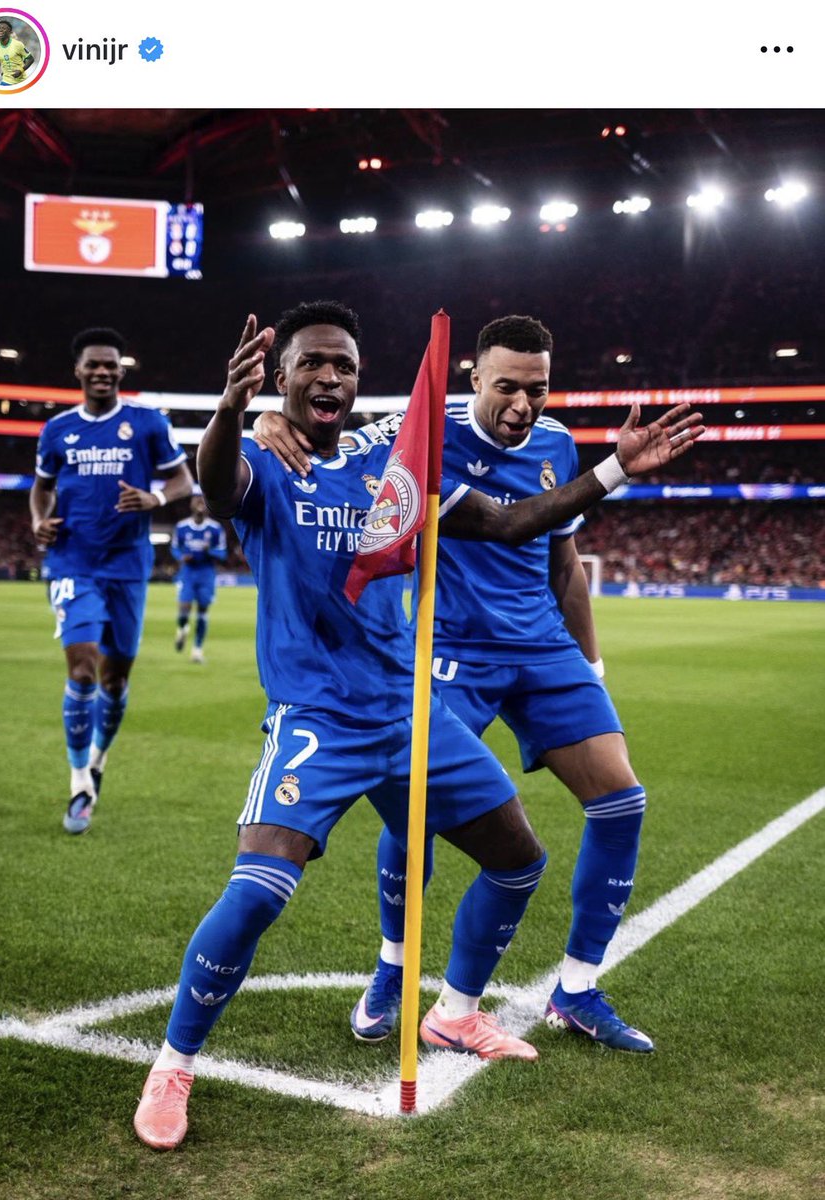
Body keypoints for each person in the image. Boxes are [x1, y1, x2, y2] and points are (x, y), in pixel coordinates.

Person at [132, 301, 701, 1150]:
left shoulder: (393, 465)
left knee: (517, 860)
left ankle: (454, 1014)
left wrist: (612, 470)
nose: (330, 377)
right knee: (256, 894)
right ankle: (174, 1065)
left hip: (408, 711)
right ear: (281, 376)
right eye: (313, 364)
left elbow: (510, 523)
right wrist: (226, 408)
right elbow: (215, 487)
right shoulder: (262, 459)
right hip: (317, 715)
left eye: (345, 366)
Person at [255, 314, 660, 1052]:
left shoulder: (558, 443)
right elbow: (325, 435)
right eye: (505, 387)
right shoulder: (414, 428)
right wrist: (260, 422)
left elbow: (561, 563)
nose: (521, 405)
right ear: (473, 378)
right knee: (415, 819)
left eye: (536, 390)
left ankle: (574, 989)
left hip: (540, 648)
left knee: (620, 799)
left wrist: (591, 668)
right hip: (447, 650)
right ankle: (392, 966)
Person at [30, 327, 193, 834]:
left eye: (111, 365)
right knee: (82, 669)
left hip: (128, 565)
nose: (102, 371)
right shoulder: (57, 430)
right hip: (72, 562)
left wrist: (156, 500)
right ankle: (80, 782)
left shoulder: (146, 424)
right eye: (93, 365)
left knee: (115, 680)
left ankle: (97, 759)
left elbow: (183, 480)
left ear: (122, 370)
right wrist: (39, 522)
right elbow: (41, 490)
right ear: (78, 371)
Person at [171, 494, 228, 664]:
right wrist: (182, 557)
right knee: (184, 609)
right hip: (187, 573)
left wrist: (208, 550)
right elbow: (174, 549)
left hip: (206, 573)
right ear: (191, 505)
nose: (199, 502)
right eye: (196, 500)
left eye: (203, 500)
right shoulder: (181, 527)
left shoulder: (216, 529)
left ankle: (197, 650)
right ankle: (182, 628)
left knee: (203, 612)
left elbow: (222, 553)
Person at [0, 20, 34, 86]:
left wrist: (21, 71)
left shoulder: (18, 44)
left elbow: (30, 59)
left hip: (21, 82)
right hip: (5, 81)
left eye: (3, 28)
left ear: (9, 32)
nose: (0, 30)